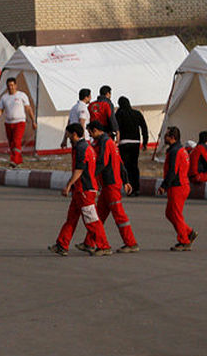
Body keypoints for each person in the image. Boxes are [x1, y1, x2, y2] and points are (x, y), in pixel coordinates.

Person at [48, 123, 111, 257]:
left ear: (74, 134)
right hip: (80, 190)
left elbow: (80, 169)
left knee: (91, 220)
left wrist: (69, 184)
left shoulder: (82, 148)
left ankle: (104, 246)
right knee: (71, 218)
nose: (68, 138)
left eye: (69, 135)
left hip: (85, 189)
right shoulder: (83, 147)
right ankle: (62, 244)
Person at [86, 119, 139, 253]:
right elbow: (120, 163)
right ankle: (89, 241)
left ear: (96, 131)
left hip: (111, 184)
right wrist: (126, 180)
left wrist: (90, 177)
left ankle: (131, 243)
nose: (90, 136)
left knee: (119, 215)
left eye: (90, 133)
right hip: (109, 185)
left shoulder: (104, 143)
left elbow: (102, 162)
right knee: (99, 215)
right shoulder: (111, 142)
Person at [157, 126, 197, 251]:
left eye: (167, 135)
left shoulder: (175, 151)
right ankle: (188, 232)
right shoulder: (179, 149)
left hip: (178, 186)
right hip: (181, 185)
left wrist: (164, 186)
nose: (165, 137)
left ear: (172, 138)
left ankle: (184, 241)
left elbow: (172, 171)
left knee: (176, 214)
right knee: (170, 213)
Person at [0, 76, 35, 166]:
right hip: (8, 123)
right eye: (9, 85)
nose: (10, 87)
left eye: (12, 85)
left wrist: (33, 120)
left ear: (16, 85)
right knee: (11, 142)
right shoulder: (4, 97)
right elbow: (0, 110)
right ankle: (18, 159)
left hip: (20, 122)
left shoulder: (22, 95)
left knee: (16, 140)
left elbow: (28, 108)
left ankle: (14, 160)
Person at [115, 95, 148, 192]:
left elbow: (116, 128)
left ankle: (129, 187)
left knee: (126, 166)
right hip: (136, 143)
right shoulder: (137, 113)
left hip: (123, 143)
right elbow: (144, 127)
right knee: (134, 165)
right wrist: (145, 142)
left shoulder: (119, 114)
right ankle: (136, 188)